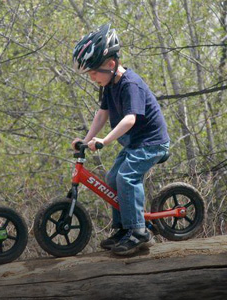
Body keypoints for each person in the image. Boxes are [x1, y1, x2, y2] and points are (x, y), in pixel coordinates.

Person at [71, 24, 170, 255]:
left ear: (111, 64)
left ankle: (139, 231)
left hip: (151, 143)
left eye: (94, 72)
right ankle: (123, 228)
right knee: (112, 177)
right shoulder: (109, 84)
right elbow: (102, 114)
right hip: (135, 144)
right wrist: (86, 140)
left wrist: (103, 141)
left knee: (126, 177)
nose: (92, 77)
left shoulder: (130, 84)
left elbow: (129, 120)